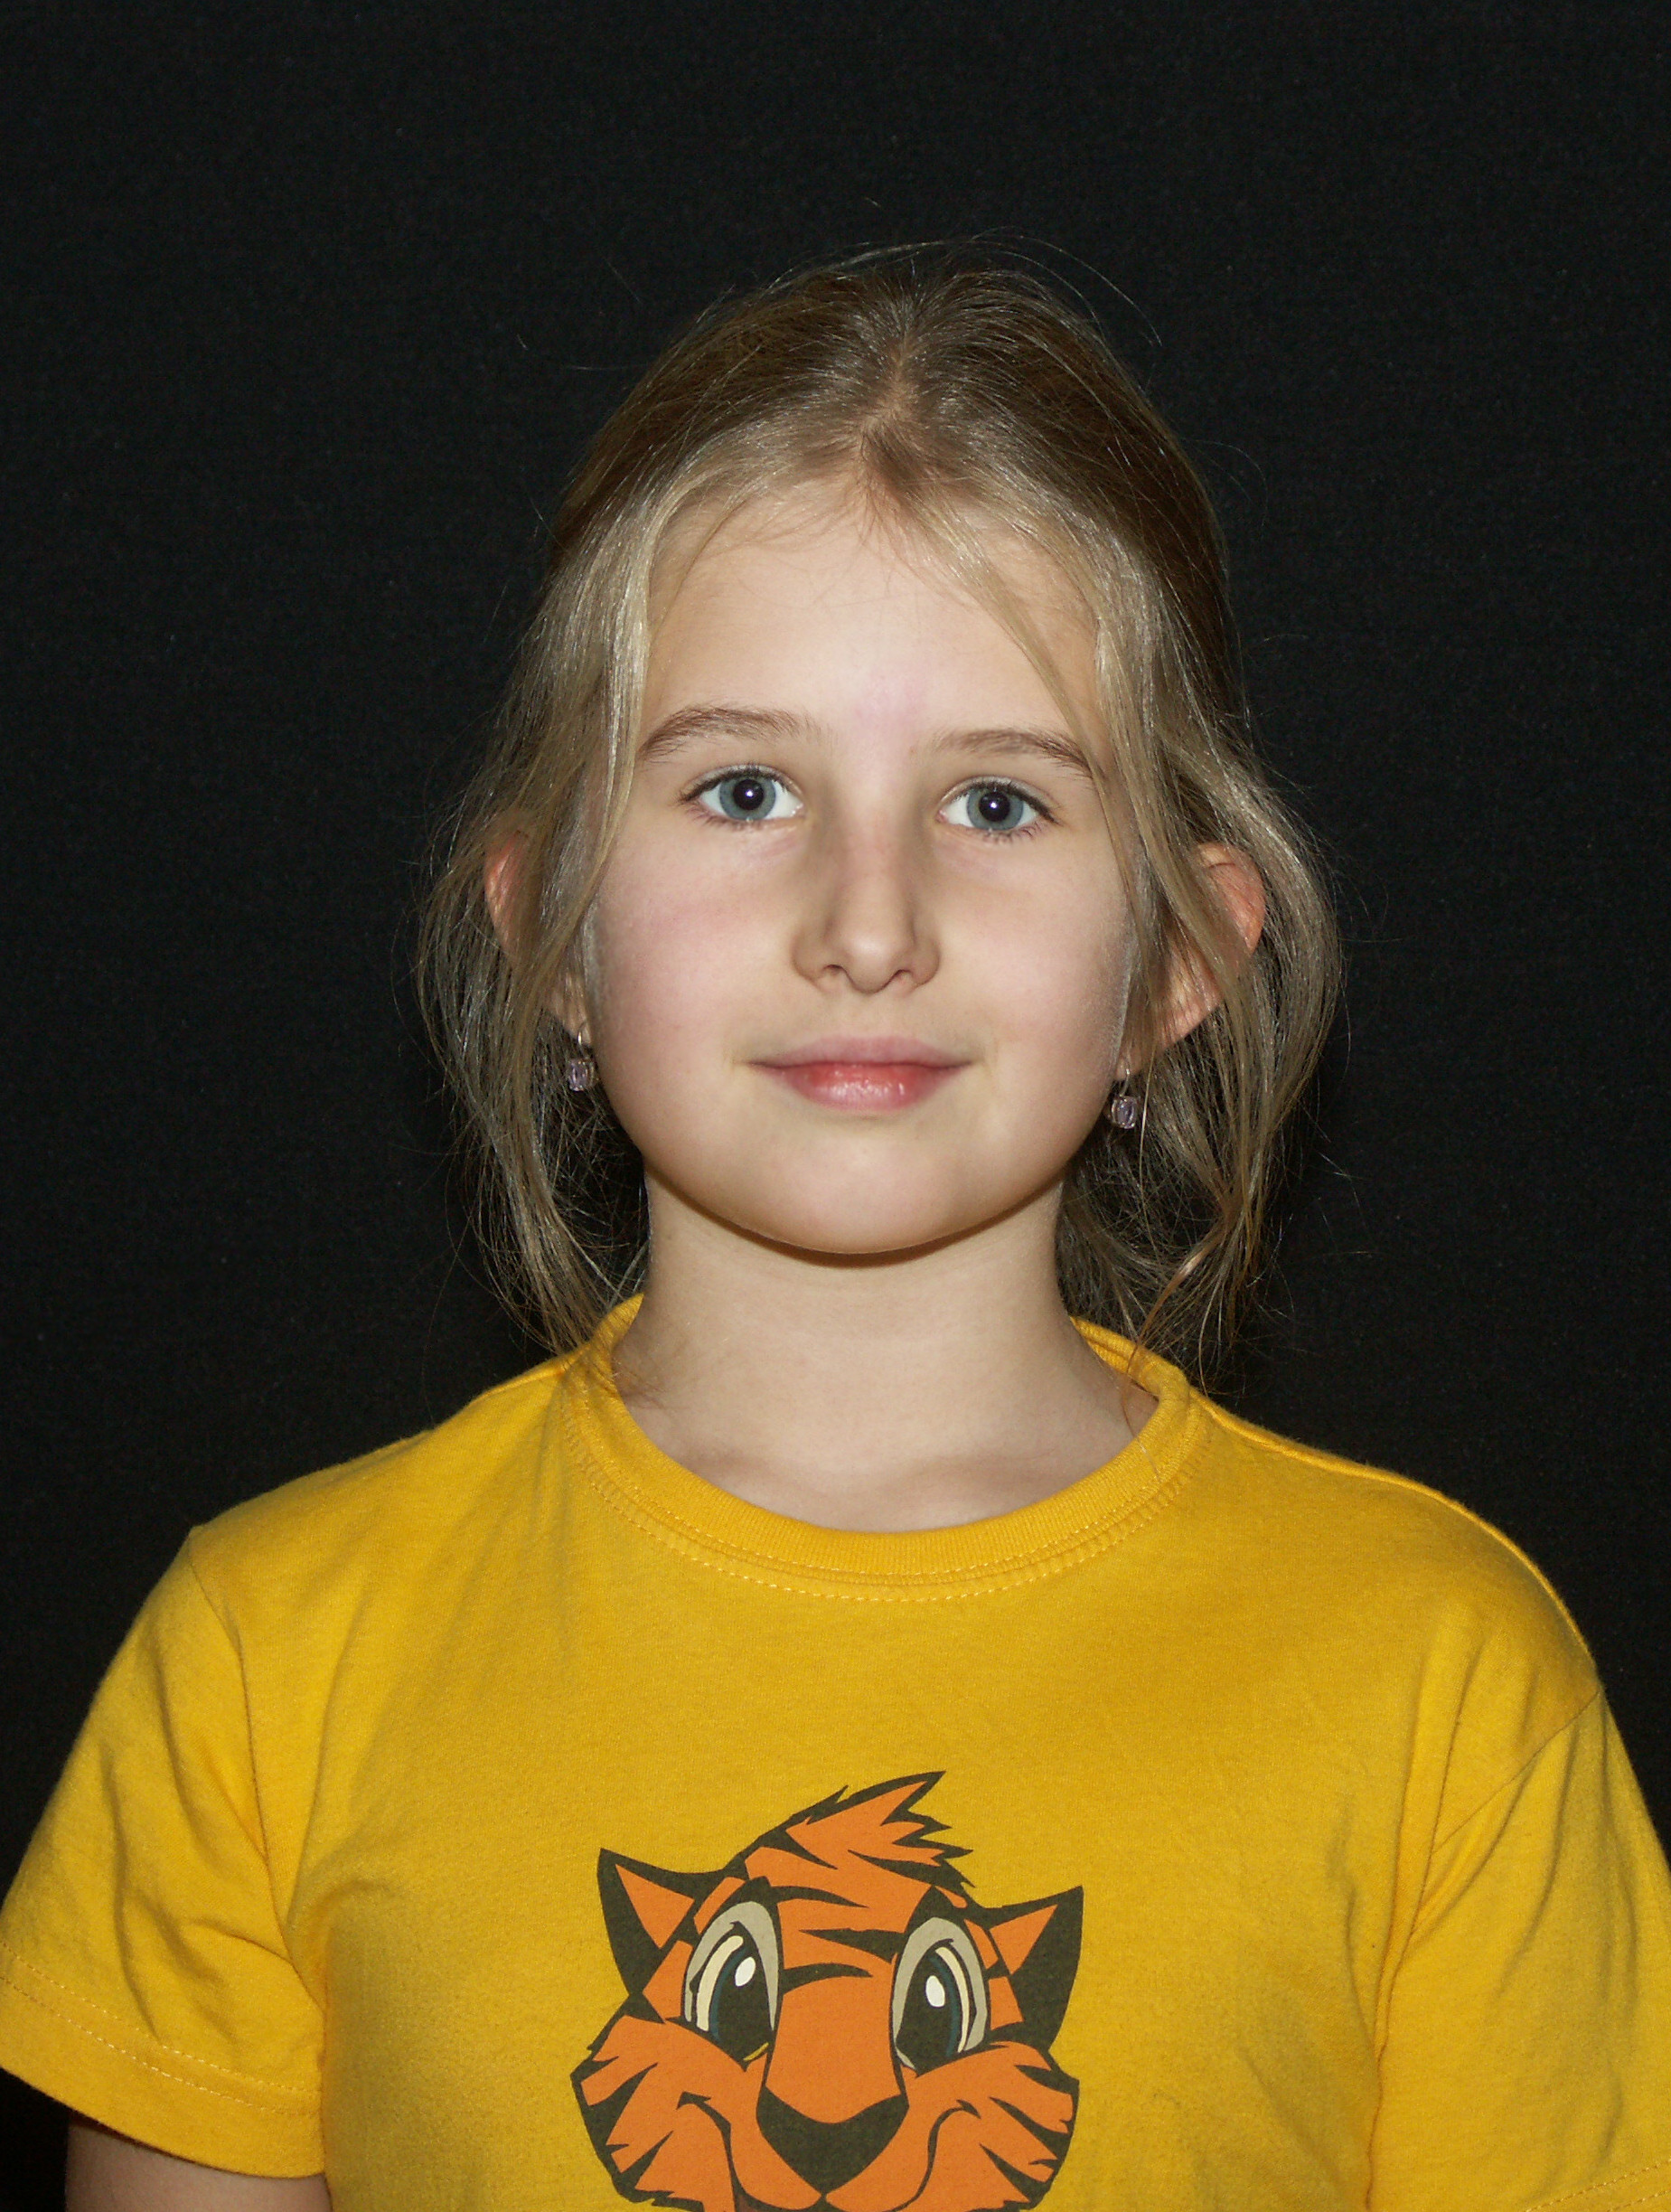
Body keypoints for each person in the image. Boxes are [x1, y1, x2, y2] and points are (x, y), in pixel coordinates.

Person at [2, 251, 1666, 2212]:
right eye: (743, 788)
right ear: (552, 936)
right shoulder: (267, 1660)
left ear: (1179, 961)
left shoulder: (1443, 1681)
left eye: (996, 806)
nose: (866, 927)